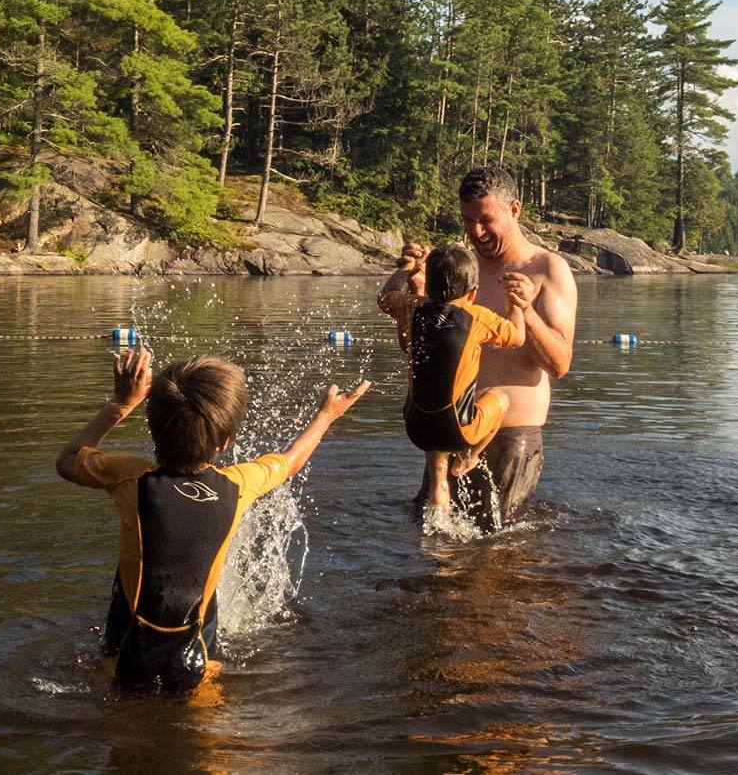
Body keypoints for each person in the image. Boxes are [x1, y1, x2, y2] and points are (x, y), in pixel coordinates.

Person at [54, 349, 370, 693]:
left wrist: (121, 403)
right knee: (204, 740)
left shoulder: (130, 477)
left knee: (122, 725)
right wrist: (326, 414)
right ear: (226, 441)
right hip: (196, 657)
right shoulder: (237, 484)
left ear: (152, 424)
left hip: (125, 652)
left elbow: (67, 460)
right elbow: (291, 461)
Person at [391, 166, 577, 532]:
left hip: (510, 439)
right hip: (451, 428)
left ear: (515, 209)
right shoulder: (460, 270)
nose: (475, 232)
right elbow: (414, 351)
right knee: (433, 546)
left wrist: (524, 310)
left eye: (486, 220)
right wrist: (416, 289)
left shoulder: (546, 270)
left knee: (496, 553)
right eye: (467, 220)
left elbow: (560, 364)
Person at [378, 244, 526, 516]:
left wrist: (406, 270)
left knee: (433, 403)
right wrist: (516, 304)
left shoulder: (415, 307)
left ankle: (438, 494)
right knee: (501, 398)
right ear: (473, 293)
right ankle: (468, 459)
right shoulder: (477, 317)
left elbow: (385, 297)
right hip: (458, 432)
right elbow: (517, 336)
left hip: (416, 428)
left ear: (431, 287)